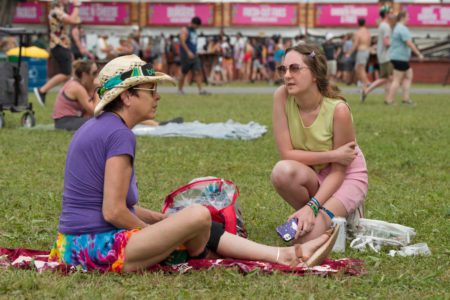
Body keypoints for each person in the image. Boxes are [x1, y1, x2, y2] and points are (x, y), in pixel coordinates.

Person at [48, 54, 338, 273]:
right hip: (94, 248)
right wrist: (157, 233)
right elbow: (112, 211)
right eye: (150, 90)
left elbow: (125, 207)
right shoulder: (118, 134)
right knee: (198, 216)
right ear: (127, 96)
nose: (157, 96)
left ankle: (287, 254)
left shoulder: (103, 127)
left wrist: (164, 222)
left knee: (195, 219)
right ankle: (266, 254)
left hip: (75, 246)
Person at [271, 44, 368, 244]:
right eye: (284, 69)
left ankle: (339, 210)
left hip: (344, 176)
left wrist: (312, 205)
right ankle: (325, 215)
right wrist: (332, 155)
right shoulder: (281, 96)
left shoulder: (339, 110)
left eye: (295, 68)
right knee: (281, 172)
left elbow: (339, 172)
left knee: (301, 239)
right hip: (316, 172)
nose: (287, 75)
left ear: (315, 74)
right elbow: (286, 154)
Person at [33, 0, 81, 107]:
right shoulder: (56, 11)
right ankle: (42, 90)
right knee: (67, 73)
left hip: (63, 45)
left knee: (70, 74)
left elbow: (75, 20)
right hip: (59, 45)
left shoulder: (60, 10)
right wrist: (77, 5)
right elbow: (72, 20)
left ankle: (68, 98)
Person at [385, 11, 424, 105]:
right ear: (402, 17)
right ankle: (390, 100)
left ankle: (405, 99)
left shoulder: (398, 27)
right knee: (397, 79)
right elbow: (409, 43)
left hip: (398, 57)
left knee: (408, 75)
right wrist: (419, 54)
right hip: (399, 57)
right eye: (408, 16)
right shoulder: (402, 28)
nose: (409, 18)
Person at [52, 60, 99, 131]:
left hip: (72, 120)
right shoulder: (76, 87)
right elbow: (94, 111)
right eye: (94, 73)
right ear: (84, 75)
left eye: (97, 72)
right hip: (65, 122)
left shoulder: (80, 84)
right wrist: (98, 89)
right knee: (100, 123)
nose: (97, 76)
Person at [361, 5, 394, 103]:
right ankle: (367, 90)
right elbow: (387, 42)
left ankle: (387, 100)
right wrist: (395, 45)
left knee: (389, 78)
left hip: (383, 55)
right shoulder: (386, 26)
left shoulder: (382, 25)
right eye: (391, 12)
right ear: (386, 14)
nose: (392, 14)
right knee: (385, 78)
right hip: (386, 56)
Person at [178, 16, 209, 95]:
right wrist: (188, 52)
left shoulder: (194, 31)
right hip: (186, 55)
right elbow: (182, 41)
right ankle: (180, 89)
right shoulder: (185, 30)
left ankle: (201, 90)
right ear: (194, 24)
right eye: (197, 25)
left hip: (194, 55)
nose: (198, 27)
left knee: (198, 71)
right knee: (184, 72)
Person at [346, 18, 371, 89]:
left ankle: (367, 83)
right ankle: (365, 83)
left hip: (361, 51)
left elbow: (355, 44)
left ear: (358, 23)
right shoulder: (367, 32)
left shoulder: (358, 33)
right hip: (366, 51)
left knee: (360, 69)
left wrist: (349, 53)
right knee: (358, 68)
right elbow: (369, 42)